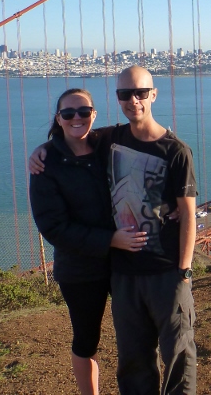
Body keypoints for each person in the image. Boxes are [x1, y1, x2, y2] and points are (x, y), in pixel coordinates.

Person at [31, 66, 197, 395]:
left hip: (165, 270)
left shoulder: (174, 151)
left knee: (177, 355)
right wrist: (43, 150)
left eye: (140, 92)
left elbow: (189, 214)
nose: (133, 100)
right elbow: (72, 138)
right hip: (120, 271)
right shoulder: (108, 140)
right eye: (124, 94)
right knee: (131, 359)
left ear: (153, 94)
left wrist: (184, 270)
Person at [29, 88, 149, 395]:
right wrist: (111, 240)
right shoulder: (46, 166)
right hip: (80, 268)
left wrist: (177, 201)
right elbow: (53, 228)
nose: (76, 118)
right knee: (86, 339)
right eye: (68, 114)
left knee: (138, 334)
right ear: (58, 119)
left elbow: (148, 133)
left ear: (93, 115)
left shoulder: (107, 144)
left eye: (83, 112)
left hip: (124, 262)